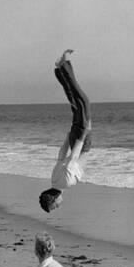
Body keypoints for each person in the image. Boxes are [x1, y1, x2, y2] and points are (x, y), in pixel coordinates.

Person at [39, 50, 92, 213]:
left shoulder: (66, 184)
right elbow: (62, 154)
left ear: (54, 198)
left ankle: (64, 65)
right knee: (76, 103)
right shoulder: (54, 179)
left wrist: (83, 134)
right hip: (73, 139)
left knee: (83, 101)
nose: (58, 205)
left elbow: (72, 159)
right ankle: (60, 70)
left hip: (81, 144)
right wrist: (69, 136)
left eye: (55, 205)